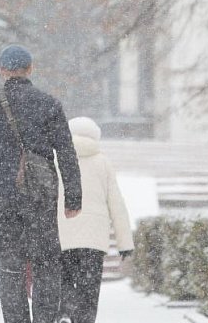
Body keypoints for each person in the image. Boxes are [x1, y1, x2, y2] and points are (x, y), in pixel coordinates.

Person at [0, 45, 82, 323]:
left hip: (3, 197)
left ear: (2, 70)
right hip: (40, 195)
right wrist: (73, 197)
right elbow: (66, 152)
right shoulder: (49, 104)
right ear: (30, 69)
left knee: (10, 267)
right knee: (46, 265)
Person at [56, 117, 134, 323]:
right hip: (93, 240)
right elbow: (116, 204)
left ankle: (65, 310)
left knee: (63, 281)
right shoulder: (102, 162)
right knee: (89, 292)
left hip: (62, 234)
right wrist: (125, 243)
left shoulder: (57, 159)